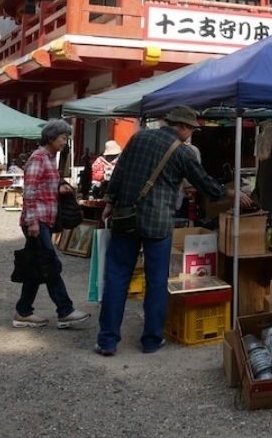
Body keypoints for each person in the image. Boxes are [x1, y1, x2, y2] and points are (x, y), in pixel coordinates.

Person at [95, 106, 250, 356]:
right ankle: (151, 340)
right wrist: (230, 192)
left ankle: (107, 341)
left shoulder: (138, 137)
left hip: (126, 216)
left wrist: (110, 203)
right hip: (158, 221)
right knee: (156, 282)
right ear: (184, 127)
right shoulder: (183, 152)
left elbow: (119, 172)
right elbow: (204, 184)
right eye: (191, 129)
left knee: (117, 278)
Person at [13, 119, 92, 330]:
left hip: (43, 220)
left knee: (36, 266)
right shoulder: (39, 158)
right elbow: (29, 192)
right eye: (63, 138)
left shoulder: (48, 158)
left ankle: (23, 311)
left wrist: (59, 188)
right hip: (37, 221)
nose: (65, 142)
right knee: (50, 265)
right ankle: (65, 311)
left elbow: (40, 187)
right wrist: (32, 222)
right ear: (51, 138)